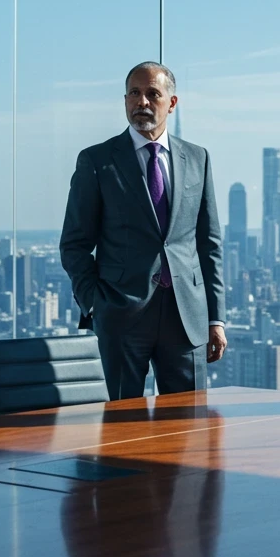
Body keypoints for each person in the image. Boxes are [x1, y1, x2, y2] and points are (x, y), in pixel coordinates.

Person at [59, 62, 226, 398]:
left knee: (188, 430)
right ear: (124, 100)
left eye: (153, 94)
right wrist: (95, 303)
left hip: (185, 317)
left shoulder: (197, 158)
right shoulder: (97, 161)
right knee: (121, 430)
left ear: (172, 103)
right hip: (121, 316)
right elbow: (74, 244)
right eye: (134, 93)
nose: (143, 102)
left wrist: (215, 319)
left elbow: (209, 244)